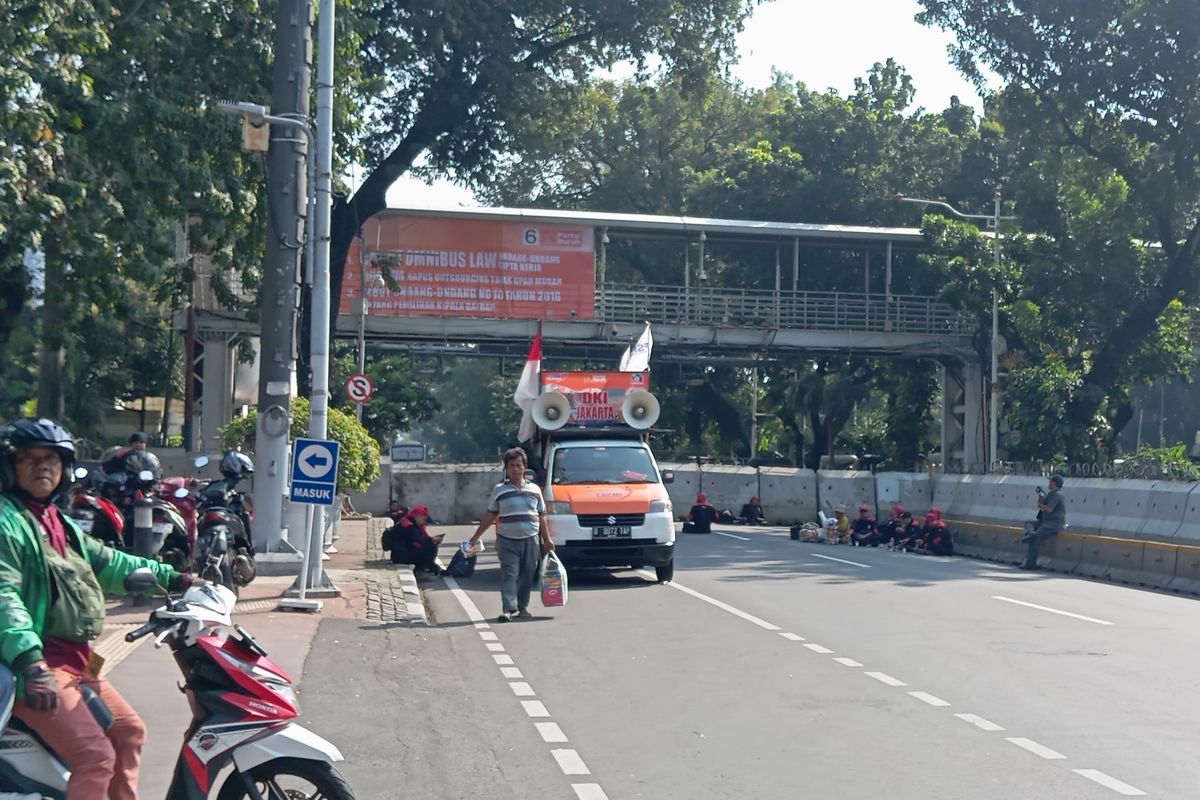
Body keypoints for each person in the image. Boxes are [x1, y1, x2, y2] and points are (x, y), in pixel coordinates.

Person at [0, 418, 200, 800]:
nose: (43, 467)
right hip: (40, 667)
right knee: (94, 756)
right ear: (11, 466)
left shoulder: (58, 522)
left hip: (77, 663)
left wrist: (178, 579)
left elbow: (111, 563)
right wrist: (30, 662)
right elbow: (3, 597)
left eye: (52, 460)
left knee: (129, 733)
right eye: (30, 459)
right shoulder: (6, 523)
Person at [468, 448, 556, 622]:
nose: (515, 469)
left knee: (527, 575)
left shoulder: (535, 490)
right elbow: (490, 515)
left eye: (519, 465)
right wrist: (476, 536)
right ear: (506, 468)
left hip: (531, 539)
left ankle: (522, 607)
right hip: (508, 540)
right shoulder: (500, 490)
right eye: (512, 465)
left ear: (525, 467)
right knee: (509, 573)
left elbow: (542, 516)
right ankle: (508, 609)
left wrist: (547, 540)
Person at [1020, 475, 1066, 569]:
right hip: (1045, 522)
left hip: (1054, 523)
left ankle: (1030, 564)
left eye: (1050, 482)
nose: (1049, 483)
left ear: (1054, 483)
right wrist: (1041, 498)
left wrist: (1042, 505)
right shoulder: (1050, 494)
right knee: (1028, 524)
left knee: (1036, 538)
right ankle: (1031, 534)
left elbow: (1049, 509)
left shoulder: (1057, 495)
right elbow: (1041, 506)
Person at [387, 504, 444, 575]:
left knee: (429, 544)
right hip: (401, 556)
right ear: (418, 516)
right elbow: (419, 540)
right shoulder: (408, 525)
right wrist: (433, 540)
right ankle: (424, 568)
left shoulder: (411, 522)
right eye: (424, 519)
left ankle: (427, 567)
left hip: (401, 553)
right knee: (431, 546)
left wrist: (431, 539)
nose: (424, 521)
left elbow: (419, 538)